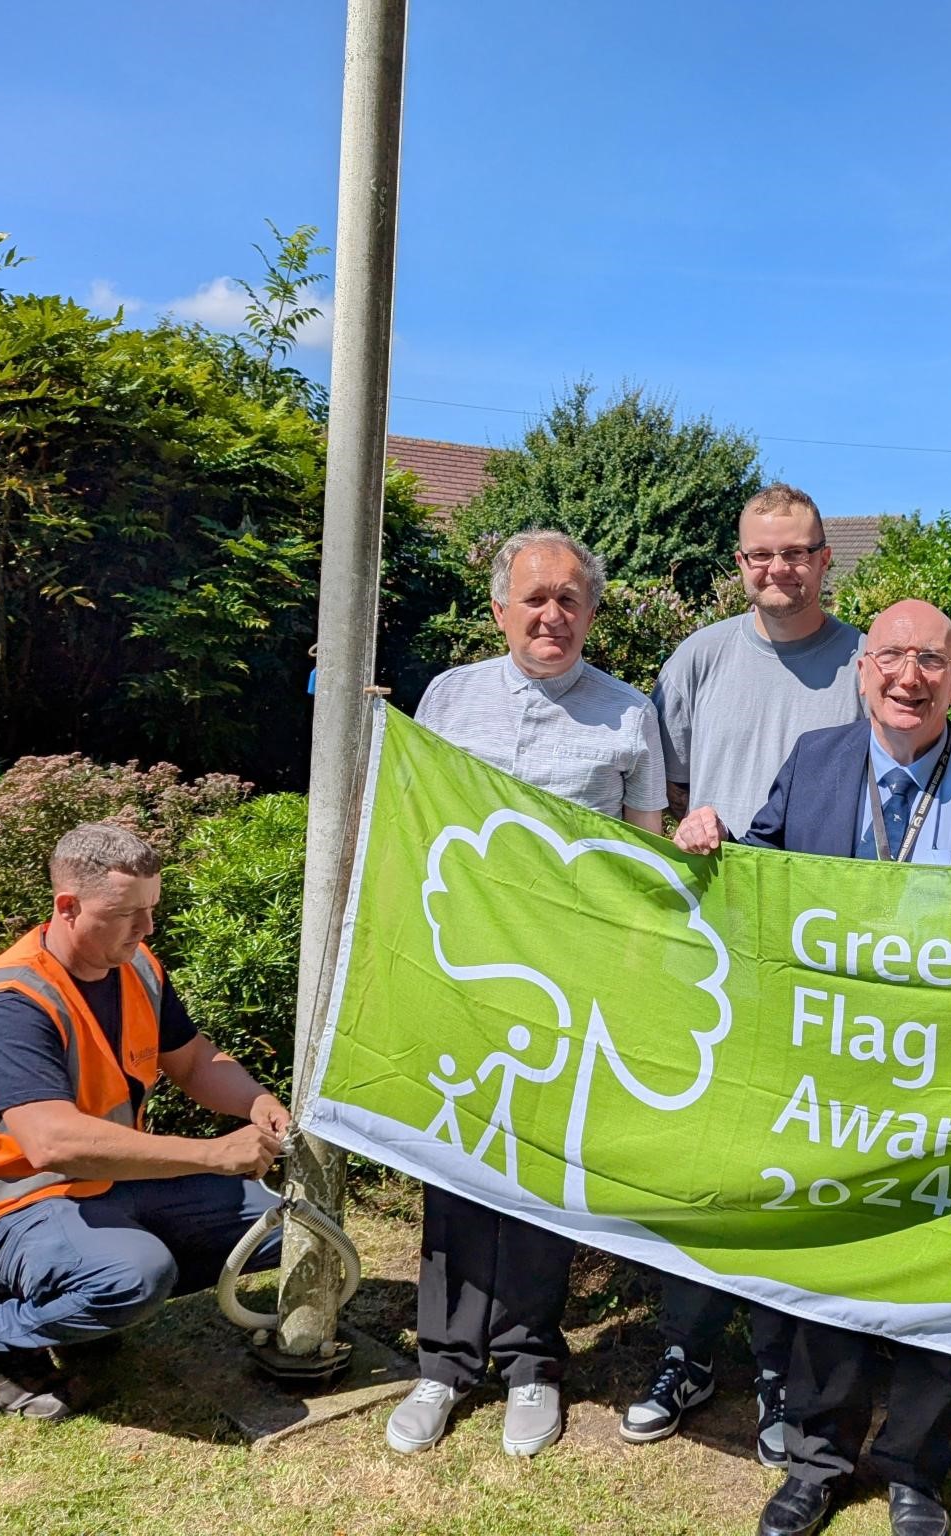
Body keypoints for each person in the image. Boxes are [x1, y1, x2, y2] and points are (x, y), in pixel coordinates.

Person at [676, 599, 951, 1536]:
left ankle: (915, 1468)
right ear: (863, 672)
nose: (908, 676)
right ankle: (818, 1459)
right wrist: (712, 845)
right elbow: (763, 875)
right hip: (835, 1073)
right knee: (835, 1259)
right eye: (891, 657)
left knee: (939, 1266)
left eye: (931, 660)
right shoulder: (816, 761)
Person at [387, 528, 668, 1460]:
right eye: (535, 598)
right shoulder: (447, 697)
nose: (553, 615)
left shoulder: (629, 713)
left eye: (571, 600)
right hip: (458, 967)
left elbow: (645, 855)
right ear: (501, 608)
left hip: (571, 979)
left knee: (542, 1167)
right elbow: (410, 821)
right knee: (455, 1158)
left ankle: (531, 1362)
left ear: (592, 611)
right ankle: (444, 1360)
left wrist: (627, 975)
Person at [622, 483, 865, 1463]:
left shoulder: (865, 661)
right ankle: (686, 1348)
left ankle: (778, 1363)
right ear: (740, 561)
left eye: (797, 553)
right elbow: (661, 787)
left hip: (824, 961)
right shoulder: (701, 658)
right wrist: (686, 825)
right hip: (713, 950)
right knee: (700, 1157)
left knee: (789, 1162)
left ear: (824, 559)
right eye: (761, 555)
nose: (779, 570)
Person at [0, 822, 290, 1422]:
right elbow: (52, 1143)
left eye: (151, 910)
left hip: (108, 1181)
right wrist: (213, 1155)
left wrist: (257, 1102)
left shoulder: (136, 965)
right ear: (68, 907)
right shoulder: (10, 1006)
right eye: (127, 914)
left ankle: (90, 1298)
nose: (147, 929)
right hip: (4, 1208)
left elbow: (193, 1059)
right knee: (133, 1278)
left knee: (286, 1227)